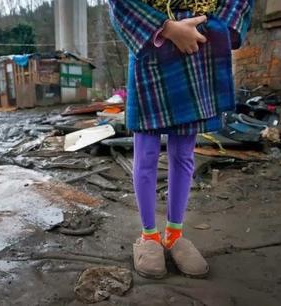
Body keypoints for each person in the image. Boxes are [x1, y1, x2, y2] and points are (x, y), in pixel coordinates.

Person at [108, 0, 253, 279]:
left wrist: (217, 26)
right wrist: (165, 28)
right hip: (152, 45)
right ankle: (148, 236)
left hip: (198, 46)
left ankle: (174, 235)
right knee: (146, 152)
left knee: (184, 153)